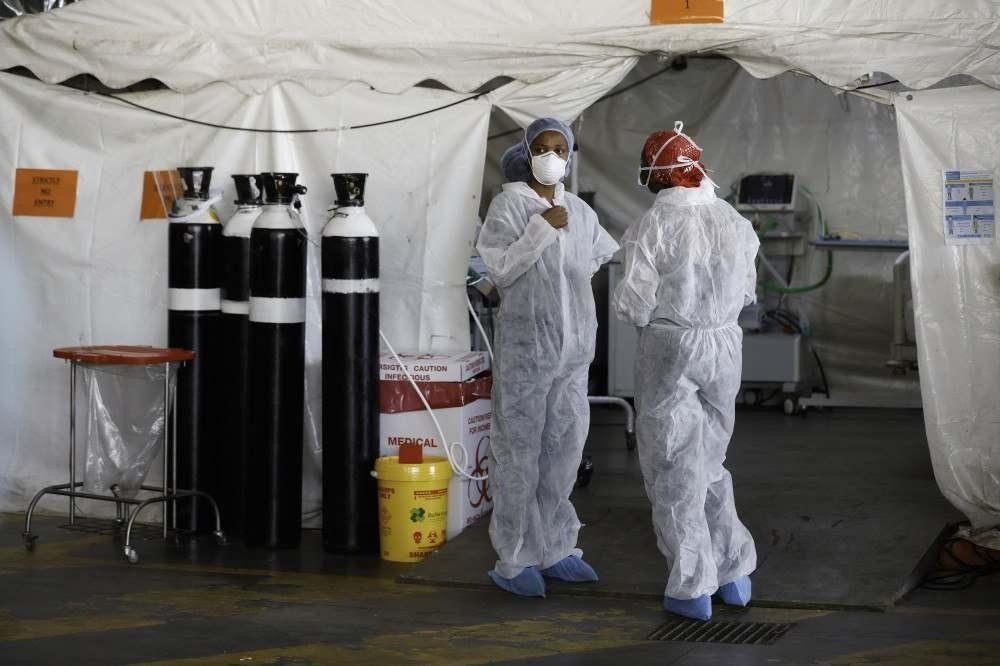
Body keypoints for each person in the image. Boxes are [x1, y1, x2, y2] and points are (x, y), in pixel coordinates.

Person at [613, 121, 758, 621]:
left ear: (655, 174)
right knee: (711, 459)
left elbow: (633, 303)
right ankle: (734, 571)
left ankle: (692, 585)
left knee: (673, 463)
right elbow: (747, 292)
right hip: (724, 346)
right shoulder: (734, 221)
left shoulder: (653, 225)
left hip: (672, 347)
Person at [476, 117, 619, 597]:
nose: (552, 156)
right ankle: (515, 557)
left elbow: (592, 259)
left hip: (573, 354)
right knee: (519, 452)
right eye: (542, 147)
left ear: (570, 155)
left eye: (560, 148)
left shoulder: (580, 210)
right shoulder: (510, 206)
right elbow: (499, 270)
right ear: (527, 152)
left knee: (563, 451)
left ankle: (556, 547)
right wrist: (539, 231)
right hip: (527, 353)